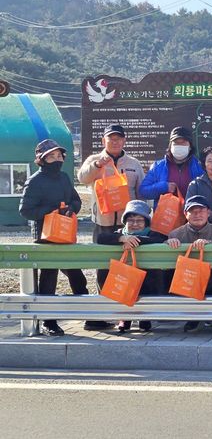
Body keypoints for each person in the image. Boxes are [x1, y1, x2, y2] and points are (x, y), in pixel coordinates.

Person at [77, 123, 145, 330]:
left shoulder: (134, 163)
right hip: (103, 224)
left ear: (124, 141)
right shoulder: (93, 160)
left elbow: (141, 191)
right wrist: (98, 165)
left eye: (118, 138)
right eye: (110, 138)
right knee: (104, 269)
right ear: (103, 141)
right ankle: (101, 314)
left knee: (130, 267)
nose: (114, 141)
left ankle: (129, 314)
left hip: (129, 225)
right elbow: (82, 178)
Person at [19, 139, 89, 336]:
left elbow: (76, 200)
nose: (56, 159)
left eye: (59, 156)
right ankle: (48, 322)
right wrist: (50, 211)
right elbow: (25, 210)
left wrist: (70, 209)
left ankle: (91, 316)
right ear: (41, 159)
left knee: (77, 276)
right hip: (45, 238)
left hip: (66, 235)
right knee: (49, 279)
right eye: (51, 156)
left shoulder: (65, 177)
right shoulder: (34, 181)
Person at [166, 194, 212, 333]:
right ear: (185, 214)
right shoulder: (175, 234)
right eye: (192, 211)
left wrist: (211, 245)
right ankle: (193, 318)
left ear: (209, 212)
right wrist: (168, 244)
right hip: (187, 280)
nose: (197, 214)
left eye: (201, 210)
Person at [97, 200, 168, 332]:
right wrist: (121, 239)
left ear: (146, 222)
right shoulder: (119, 233)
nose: (135, 224)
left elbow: (158, 240)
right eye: (131, 220)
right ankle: (124, 317)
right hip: (123, 277)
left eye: (139, 220)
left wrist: (134, 240)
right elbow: (101, 238)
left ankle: (144, 317)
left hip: (147, 279)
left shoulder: (153, 234)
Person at [139, 126, 204, 205]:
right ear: (170, 146)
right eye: (176, 143)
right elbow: (143, 191)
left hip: (192, 215)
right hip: (166, 215)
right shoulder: (158, 166)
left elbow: (208, 192)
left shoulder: (200, 167)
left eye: (183, 142)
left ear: (190, 146)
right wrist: (163, 187)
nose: (179, 146)